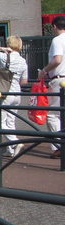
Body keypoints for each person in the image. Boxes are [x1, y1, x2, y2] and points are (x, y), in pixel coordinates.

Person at [0, 36, 28, 157]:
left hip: (4, 93)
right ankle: (10, 150)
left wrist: (2, 49)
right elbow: (24, 81)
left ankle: (15, 143)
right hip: (17, 94)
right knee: (11, 122)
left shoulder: (4, 57)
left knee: (0, 123)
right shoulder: (23, 61)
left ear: (8, 44)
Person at [38, 15, 65, 159]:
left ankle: (59, 147)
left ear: (54, 26)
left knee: (53, 115)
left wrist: (44, 70)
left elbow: (57, 59)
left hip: (60, 80)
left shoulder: (57, 40)